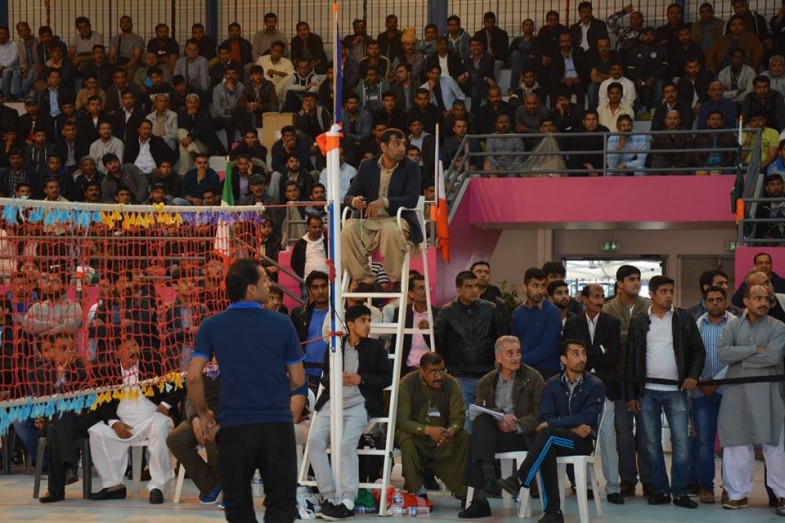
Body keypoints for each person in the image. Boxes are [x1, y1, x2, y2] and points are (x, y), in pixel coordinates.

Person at [188, 258, 306, 523]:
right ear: (251, 289)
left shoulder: (211, 325)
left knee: (238, 507)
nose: (269, 284)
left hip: (234, 428)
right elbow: (298, 379)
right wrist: (271, 383)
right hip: (276, 425)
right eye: (264, 279)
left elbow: (194, 377)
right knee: (281, 504)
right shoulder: (282, 324)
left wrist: (203, 413)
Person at [498, 339, 605, 523]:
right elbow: (546, 416)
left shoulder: (595, 384)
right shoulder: (553, 383)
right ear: (564, 359)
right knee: (547, 444)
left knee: (546, 435)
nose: (582, 358)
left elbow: (587, 417)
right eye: (576, 353)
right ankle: (553, 513)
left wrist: (555, 425)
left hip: (581, 442)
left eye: (584, 353)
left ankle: (521, 478)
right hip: (560, 437)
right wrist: (570, 426)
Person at [625, 275, 705, 509]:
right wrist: (630, 395)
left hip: (676, 391)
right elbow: (630, 359)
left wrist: (692, 376)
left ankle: (680, 492)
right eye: (663, 291)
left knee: (681, 442)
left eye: (671, 290)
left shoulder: (684, 319)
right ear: (651, 294)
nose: (669, 295)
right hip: (646, 391)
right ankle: (660, 489)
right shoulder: (639, 322)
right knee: (650, 444)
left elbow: (698, 351)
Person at [308, 304, 392, 521]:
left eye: (369, 320)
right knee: (315, 441)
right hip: (333, 401)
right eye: (363, 320)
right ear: (351, 324)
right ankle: (328, 496)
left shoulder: (376, 347)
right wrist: (336, 378)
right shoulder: (335, 344)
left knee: (346, 445)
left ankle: (347, 500)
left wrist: (360, 379)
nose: (368, 325)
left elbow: (387, 379)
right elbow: (324, 377)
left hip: (360, 403)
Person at [88, 335, 182, 504]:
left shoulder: (153, 362)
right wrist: (115, 423)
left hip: (152, 420)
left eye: (135, 346)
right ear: (117, 353)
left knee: (161, 427)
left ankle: (157, 488)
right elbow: (101, 401)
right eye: (128, 347)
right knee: (96, 432)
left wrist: (164, 405)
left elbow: (180, 383)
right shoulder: (106, 370)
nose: (134, 350)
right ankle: (113, 485)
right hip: (123, 425)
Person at [460, 336, 546, 518]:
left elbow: (540, 413)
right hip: (493, 435)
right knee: (481, 422)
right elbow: (479, 409)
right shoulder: (486, 381)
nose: (516, 357)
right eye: (510, 353)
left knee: (476, 441)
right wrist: (499, 416)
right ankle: (489, 477)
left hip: (521, 436)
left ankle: (481, 498)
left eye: (518, 353)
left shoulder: (533, 377)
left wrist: (516, 425)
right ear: (498, 357)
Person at [718, 282, 785, 515]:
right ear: (746, 301)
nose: (763, 303)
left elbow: (774, 357)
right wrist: (754, 349)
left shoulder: (778, 327)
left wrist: (742, 358)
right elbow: (723, 353)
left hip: (768, 393)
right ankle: (737, 495)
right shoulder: (732, 326)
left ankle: (783, 495)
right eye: (758, 298)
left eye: (767, 299)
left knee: (776, 445)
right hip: (737, 394)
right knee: (736, 443)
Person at [563, 284, 624, 505]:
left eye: (602, 297)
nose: (600, 300)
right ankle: (586, 485)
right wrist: (599, 349)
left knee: (608, 436)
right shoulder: (573, 323)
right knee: (582, 434)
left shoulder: (612, 323)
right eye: (596, 297)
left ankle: (613, 487)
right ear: (585, 299)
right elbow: (571, 354)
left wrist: (587, 353)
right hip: (579, 387)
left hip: (605, 386)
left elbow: (613, 355)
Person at [341, 128, 421, 287]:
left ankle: (395, 279)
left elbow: (412, 199)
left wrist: (384, 201)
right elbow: (349, 195)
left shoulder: (411, 167)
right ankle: (363, 280)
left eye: (403, 144)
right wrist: (355, 201)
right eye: (397, 144)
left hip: (397, 219)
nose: (402, 149)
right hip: (370, 220)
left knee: (390, 230)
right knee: (347, 230)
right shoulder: (366, 166)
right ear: (384, 147)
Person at [603, 264, 652, 497]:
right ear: (620, 284)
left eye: (638, 279)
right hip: (619, 376)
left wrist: (624, 335)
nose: (636, 283)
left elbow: (650, 338)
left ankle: (649, 479)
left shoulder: (649, 306)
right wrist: (634, 334)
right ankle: (627, 479)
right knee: (622, 431)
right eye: (631, 279)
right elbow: (609, 342)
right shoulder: (609, 308)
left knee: (645, 431)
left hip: (644, 377)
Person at [396, 351, 468, 503]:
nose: (439, 376)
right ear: (421, 371)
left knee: (464, 437)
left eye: (442, 370)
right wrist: (427, 430)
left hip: (443, 436)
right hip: (416, 434)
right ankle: (417, 490)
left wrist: (451, 430)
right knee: (405, 438)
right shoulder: (406, 385)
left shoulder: (451, 384)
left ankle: (463, 490)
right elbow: (402, 421)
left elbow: (458, 417)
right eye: (433, 372)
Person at [688, 285, 733, 505]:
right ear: (705, 303)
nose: (715, 303)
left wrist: (715, 381)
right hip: (701, 393)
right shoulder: (696, 325)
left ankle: (729, 488)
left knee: (728, 443)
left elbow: (737, 358)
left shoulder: (736, 323)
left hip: (729, 392)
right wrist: (703, 382)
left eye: (719, 299)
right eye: (711, 300)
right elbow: (692, 355)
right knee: (704, 442)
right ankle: (706, 487)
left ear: (725, 302)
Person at [434, 271, 499, 412]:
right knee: (465, 422)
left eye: (476, 286)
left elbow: (499, 337)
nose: (475, 290)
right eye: (469, 286)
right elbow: (438, 342)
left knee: (489, 421)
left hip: (488, 374)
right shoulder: (446, 312)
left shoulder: (490, 309)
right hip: (460, 374)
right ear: (458, 289)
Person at [511, 268, 561, 378]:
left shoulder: (552, 312)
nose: (540, 291)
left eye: (542, 286)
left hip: (546, 374)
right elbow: (514, 343)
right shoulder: (517, 313)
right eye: (535, 286)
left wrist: (519, 361)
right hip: (521, 372)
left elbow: (547, 348)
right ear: (524, 287)